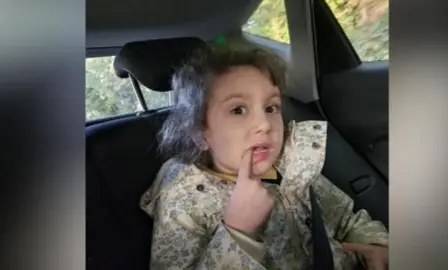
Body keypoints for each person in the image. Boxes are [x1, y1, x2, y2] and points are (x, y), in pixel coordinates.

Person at [139, 43, 389, 270]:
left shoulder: (291, 165)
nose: (264, 124)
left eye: (271, 108)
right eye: (238, 110)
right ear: (200, 135)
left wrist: (376, 246)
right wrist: (238, 232)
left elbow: (345, 219)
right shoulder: (183, 201)